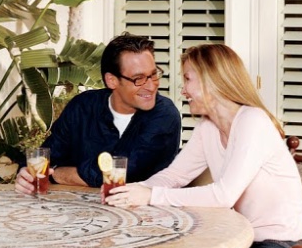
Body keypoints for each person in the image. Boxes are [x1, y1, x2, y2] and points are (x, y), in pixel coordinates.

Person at [105, 43, 302, 248]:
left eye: (188, 79)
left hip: (283, 245)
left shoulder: (253, 121)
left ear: (212, 81)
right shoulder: (208, 126)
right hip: (238, 241)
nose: (183, 91)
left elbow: (224, 196)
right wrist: (130, 190)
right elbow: (175, 175)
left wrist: (150, 195)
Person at [14, 33, 182, 194]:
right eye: (138, 79)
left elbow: (117, 173)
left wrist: (55, 173)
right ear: (112, 80)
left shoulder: (165, 115)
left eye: (153, 75)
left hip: (146, 216)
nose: (151, 86)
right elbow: (46, 155)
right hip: (78, 213)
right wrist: (26, 172)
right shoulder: (83, 106)